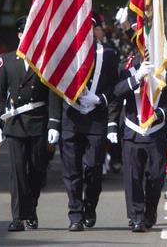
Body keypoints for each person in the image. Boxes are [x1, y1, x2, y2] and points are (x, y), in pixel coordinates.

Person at [0, 16, 60, 231]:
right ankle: (19, 217)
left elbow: (53, 95)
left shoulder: (44, 61)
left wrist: (54, 124)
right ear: (20, 35)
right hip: (15, 123)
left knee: (37, 171)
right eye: (26, 32)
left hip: (38, 123)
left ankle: (31, 208)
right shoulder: (7, 60)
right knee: (18, 171)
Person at [50, 17, 119, 231]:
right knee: (71, 171)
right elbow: (54, 87)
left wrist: (100, 101)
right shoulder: (65, 56)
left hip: (96, 120)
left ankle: (90, 206)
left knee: (93, 169)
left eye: (89, 28)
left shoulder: (107, 55)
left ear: (95, 30)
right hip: (71, 119)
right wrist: (54, 123)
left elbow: (114, 88)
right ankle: (75, 215)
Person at [113, 58, 167, 232]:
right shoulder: (126, 69)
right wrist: (136, 78)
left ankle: (149, 211)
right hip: (133, 132)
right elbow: (116, 93)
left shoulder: (165, 71)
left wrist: (159, 114)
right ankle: (136, 217)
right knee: (133, 177)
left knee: (156, 177)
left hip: (156, 133)